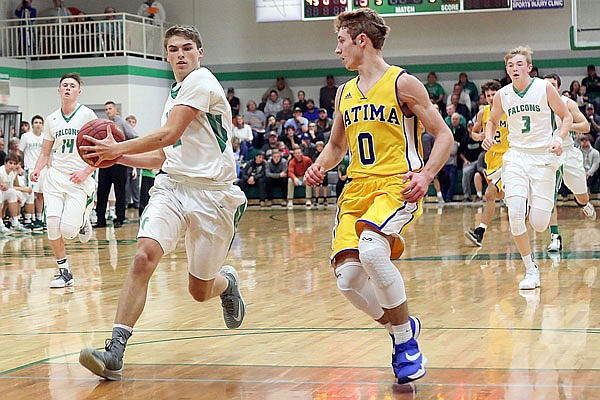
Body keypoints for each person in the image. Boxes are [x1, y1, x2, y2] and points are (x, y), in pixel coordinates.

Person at [78, 25, 247, 381]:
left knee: (199, 291)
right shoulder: (174, 94)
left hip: (212, 196)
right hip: (172, 188)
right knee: (143, 257)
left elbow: (169, 134)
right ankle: (115, 352)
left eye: (187, 48)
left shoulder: (202, 82)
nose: (180, 54)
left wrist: (117, 148)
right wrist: (114, 159)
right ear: (167, 55)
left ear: (200, 53)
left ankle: (226, 284)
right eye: (173, 49)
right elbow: (162, 156)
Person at [304, 8, 452, 384]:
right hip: (356, 190)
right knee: (349, 280)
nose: (337, 50)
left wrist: (427, 174)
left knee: (372, 250)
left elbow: (444, 135)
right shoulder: (344, 92)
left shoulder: (403, 83)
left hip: (396, 183)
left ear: (361, 41)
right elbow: (337, 147)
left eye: (340, 41)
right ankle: (402, 326)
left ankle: (405, 346)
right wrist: (319, 166)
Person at [483, 46, 572, 290]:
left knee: (540, 223)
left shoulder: (545, 88)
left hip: (542, 157)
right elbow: (491, 120)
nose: (515, 69)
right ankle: (531, 269)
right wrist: (488, 136)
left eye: (519, 64)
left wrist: (558, 138)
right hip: (516, 158)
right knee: (515, 215)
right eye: (510, 65)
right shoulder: (502, 95)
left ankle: (537, 198)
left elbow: (566, 118)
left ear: (529, 67)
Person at [30, 72, 98, 288]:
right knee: (52, 225)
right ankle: (65, 272)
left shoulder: (88, 116)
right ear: (59, 91)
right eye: (64, 85)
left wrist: (86, 172)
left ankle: (84, 216)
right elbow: (45, 152)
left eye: (72, 85)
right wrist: (37, 169)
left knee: (68, 231)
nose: (68, 88)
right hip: (56, 177)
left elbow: (100, 152)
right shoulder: (51, 119)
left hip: (79, 178)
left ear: (79, 91)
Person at [543, 73, 596, 253]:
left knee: (582, 196)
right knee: (550, 196)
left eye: (552, 84)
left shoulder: (567, 104)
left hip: (568, 153)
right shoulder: (538, 106)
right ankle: (555, 237)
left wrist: (567, 126)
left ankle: (583, 204)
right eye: (545, 84)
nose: (548, 87)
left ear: (557, 87)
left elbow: (586, 127)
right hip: (548, 155)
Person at [465, 80, 508, 247]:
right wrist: (479, 136)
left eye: (493, 94)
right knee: (497, 195)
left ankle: (479, 232)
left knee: (490, 194)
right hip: (492, 159)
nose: (490, 98)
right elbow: (473, 133)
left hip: (508, 158)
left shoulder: (509, 110)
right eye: (488, 95)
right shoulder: (483, 113)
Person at [94, 101, 137, 229]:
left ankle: (120, 218)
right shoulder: (104, 124)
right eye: (106, 109)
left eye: (110, 109)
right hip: (105, 162)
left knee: (120, 192)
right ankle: (100, 219)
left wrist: (124, 149)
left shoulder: (122, 123)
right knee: (102, 192)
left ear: (116, 110)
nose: (108, 111)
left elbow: (134, 137)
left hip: (119, 162)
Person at [19, 115, 45, 230]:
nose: (38, 124)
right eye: (35, 122)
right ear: (32, 124)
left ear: (42, 125)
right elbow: (20, 152)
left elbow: (47, 154)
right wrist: (20, 166)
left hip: (43, 169)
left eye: (40, 122)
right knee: (31, 194)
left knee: (41, 194)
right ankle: (31, 218)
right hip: (30, 168)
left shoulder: (45, 137)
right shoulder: (26, 137)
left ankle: (39, 218)